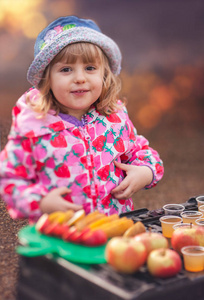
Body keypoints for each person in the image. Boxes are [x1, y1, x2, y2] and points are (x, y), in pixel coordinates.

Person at [0, 16, 164, 222]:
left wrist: (145, 172)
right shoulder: (33, 126)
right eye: (66, 69)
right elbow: (10, 180)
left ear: (104, 75)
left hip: (112, 231)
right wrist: (40, 202)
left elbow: (142, 152)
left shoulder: (114, 118)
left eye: (90, 68)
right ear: (46, 79)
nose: (79, 78)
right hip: (60, 233)